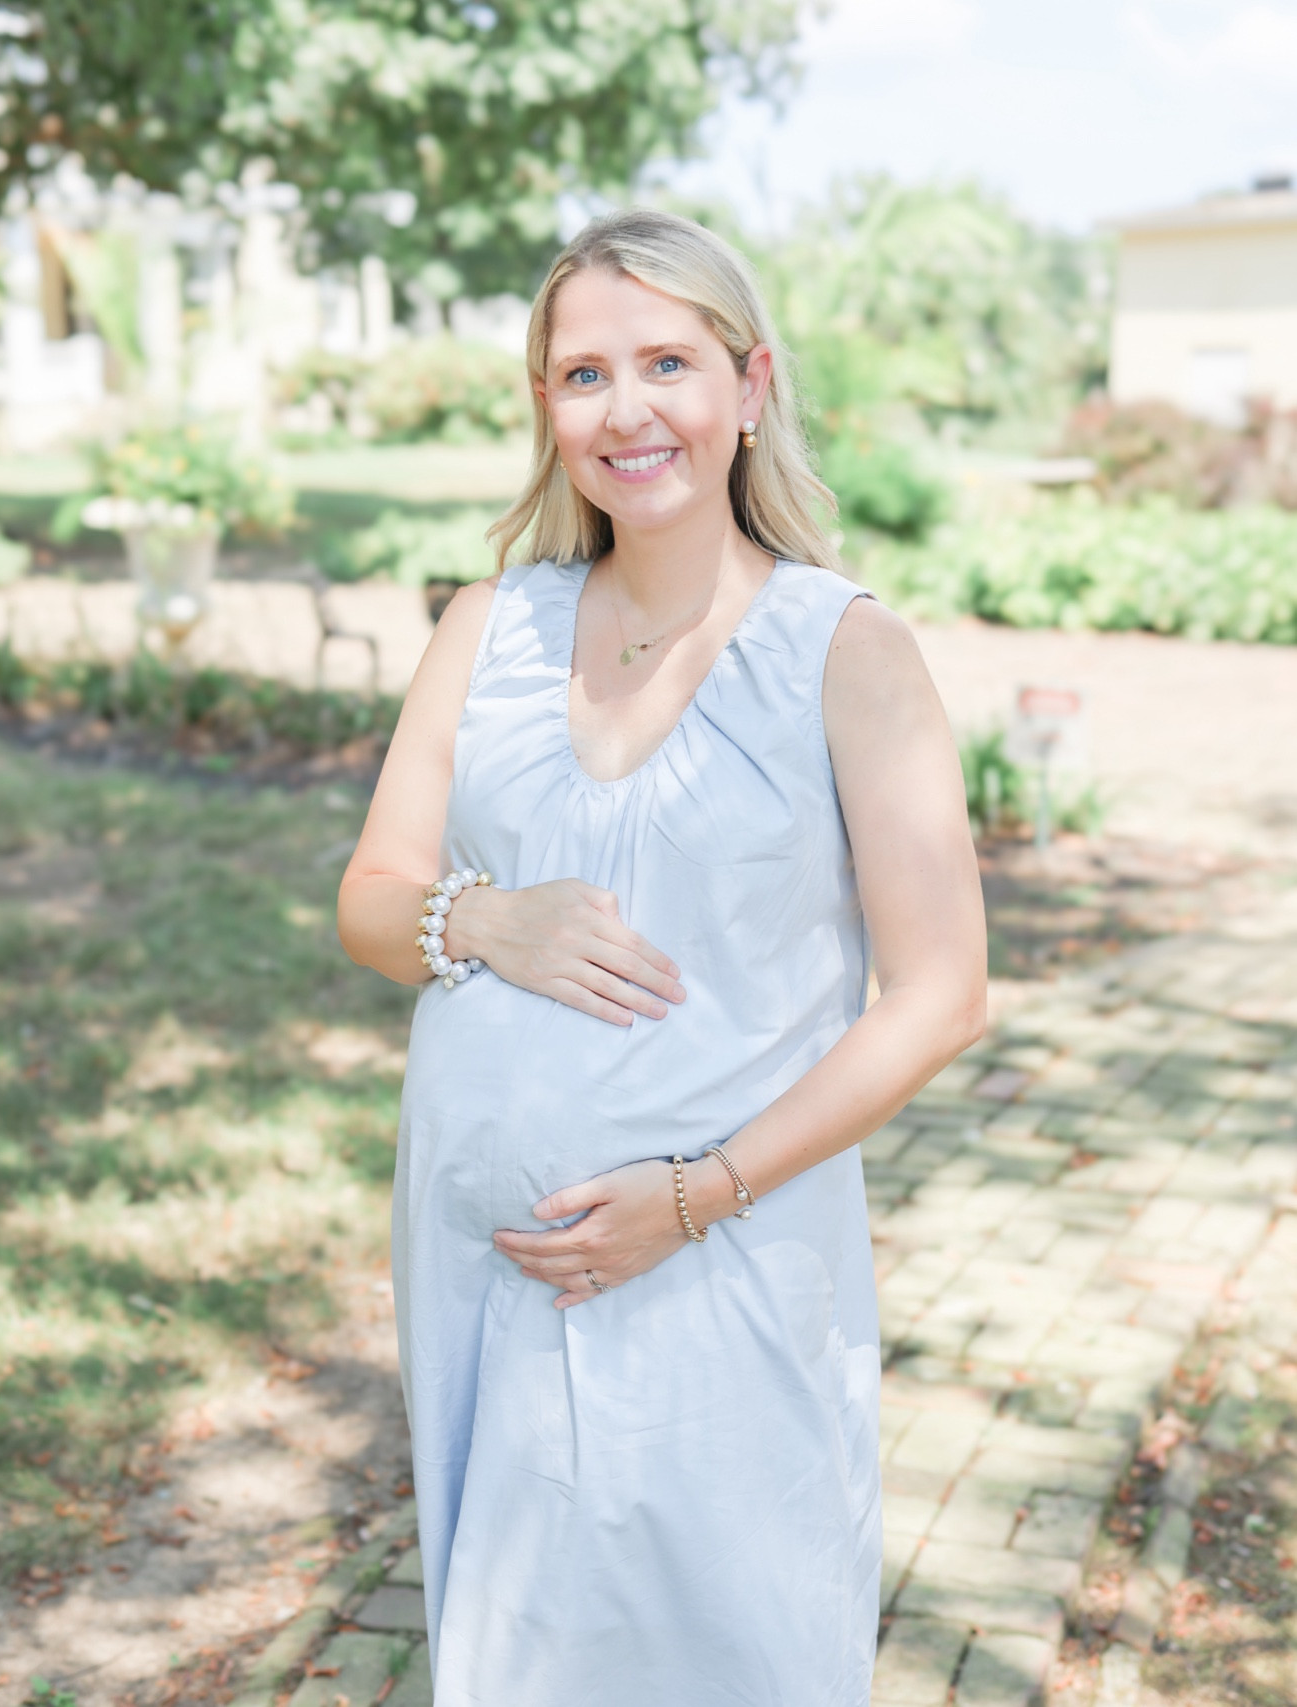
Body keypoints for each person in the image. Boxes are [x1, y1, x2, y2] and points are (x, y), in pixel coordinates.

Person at [338, 208, 986, 1707]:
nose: (624, 410)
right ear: (545, 408)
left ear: (749, 387)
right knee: (516, 1657)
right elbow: (375, 898)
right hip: (483, 1266)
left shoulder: (846, 649)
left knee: (730, 1645)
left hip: (725, 1261)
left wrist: (692, 1197)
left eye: (666, 364)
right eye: (581, 375)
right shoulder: (488, 624)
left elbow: (941, 996)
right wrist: (480, 918)